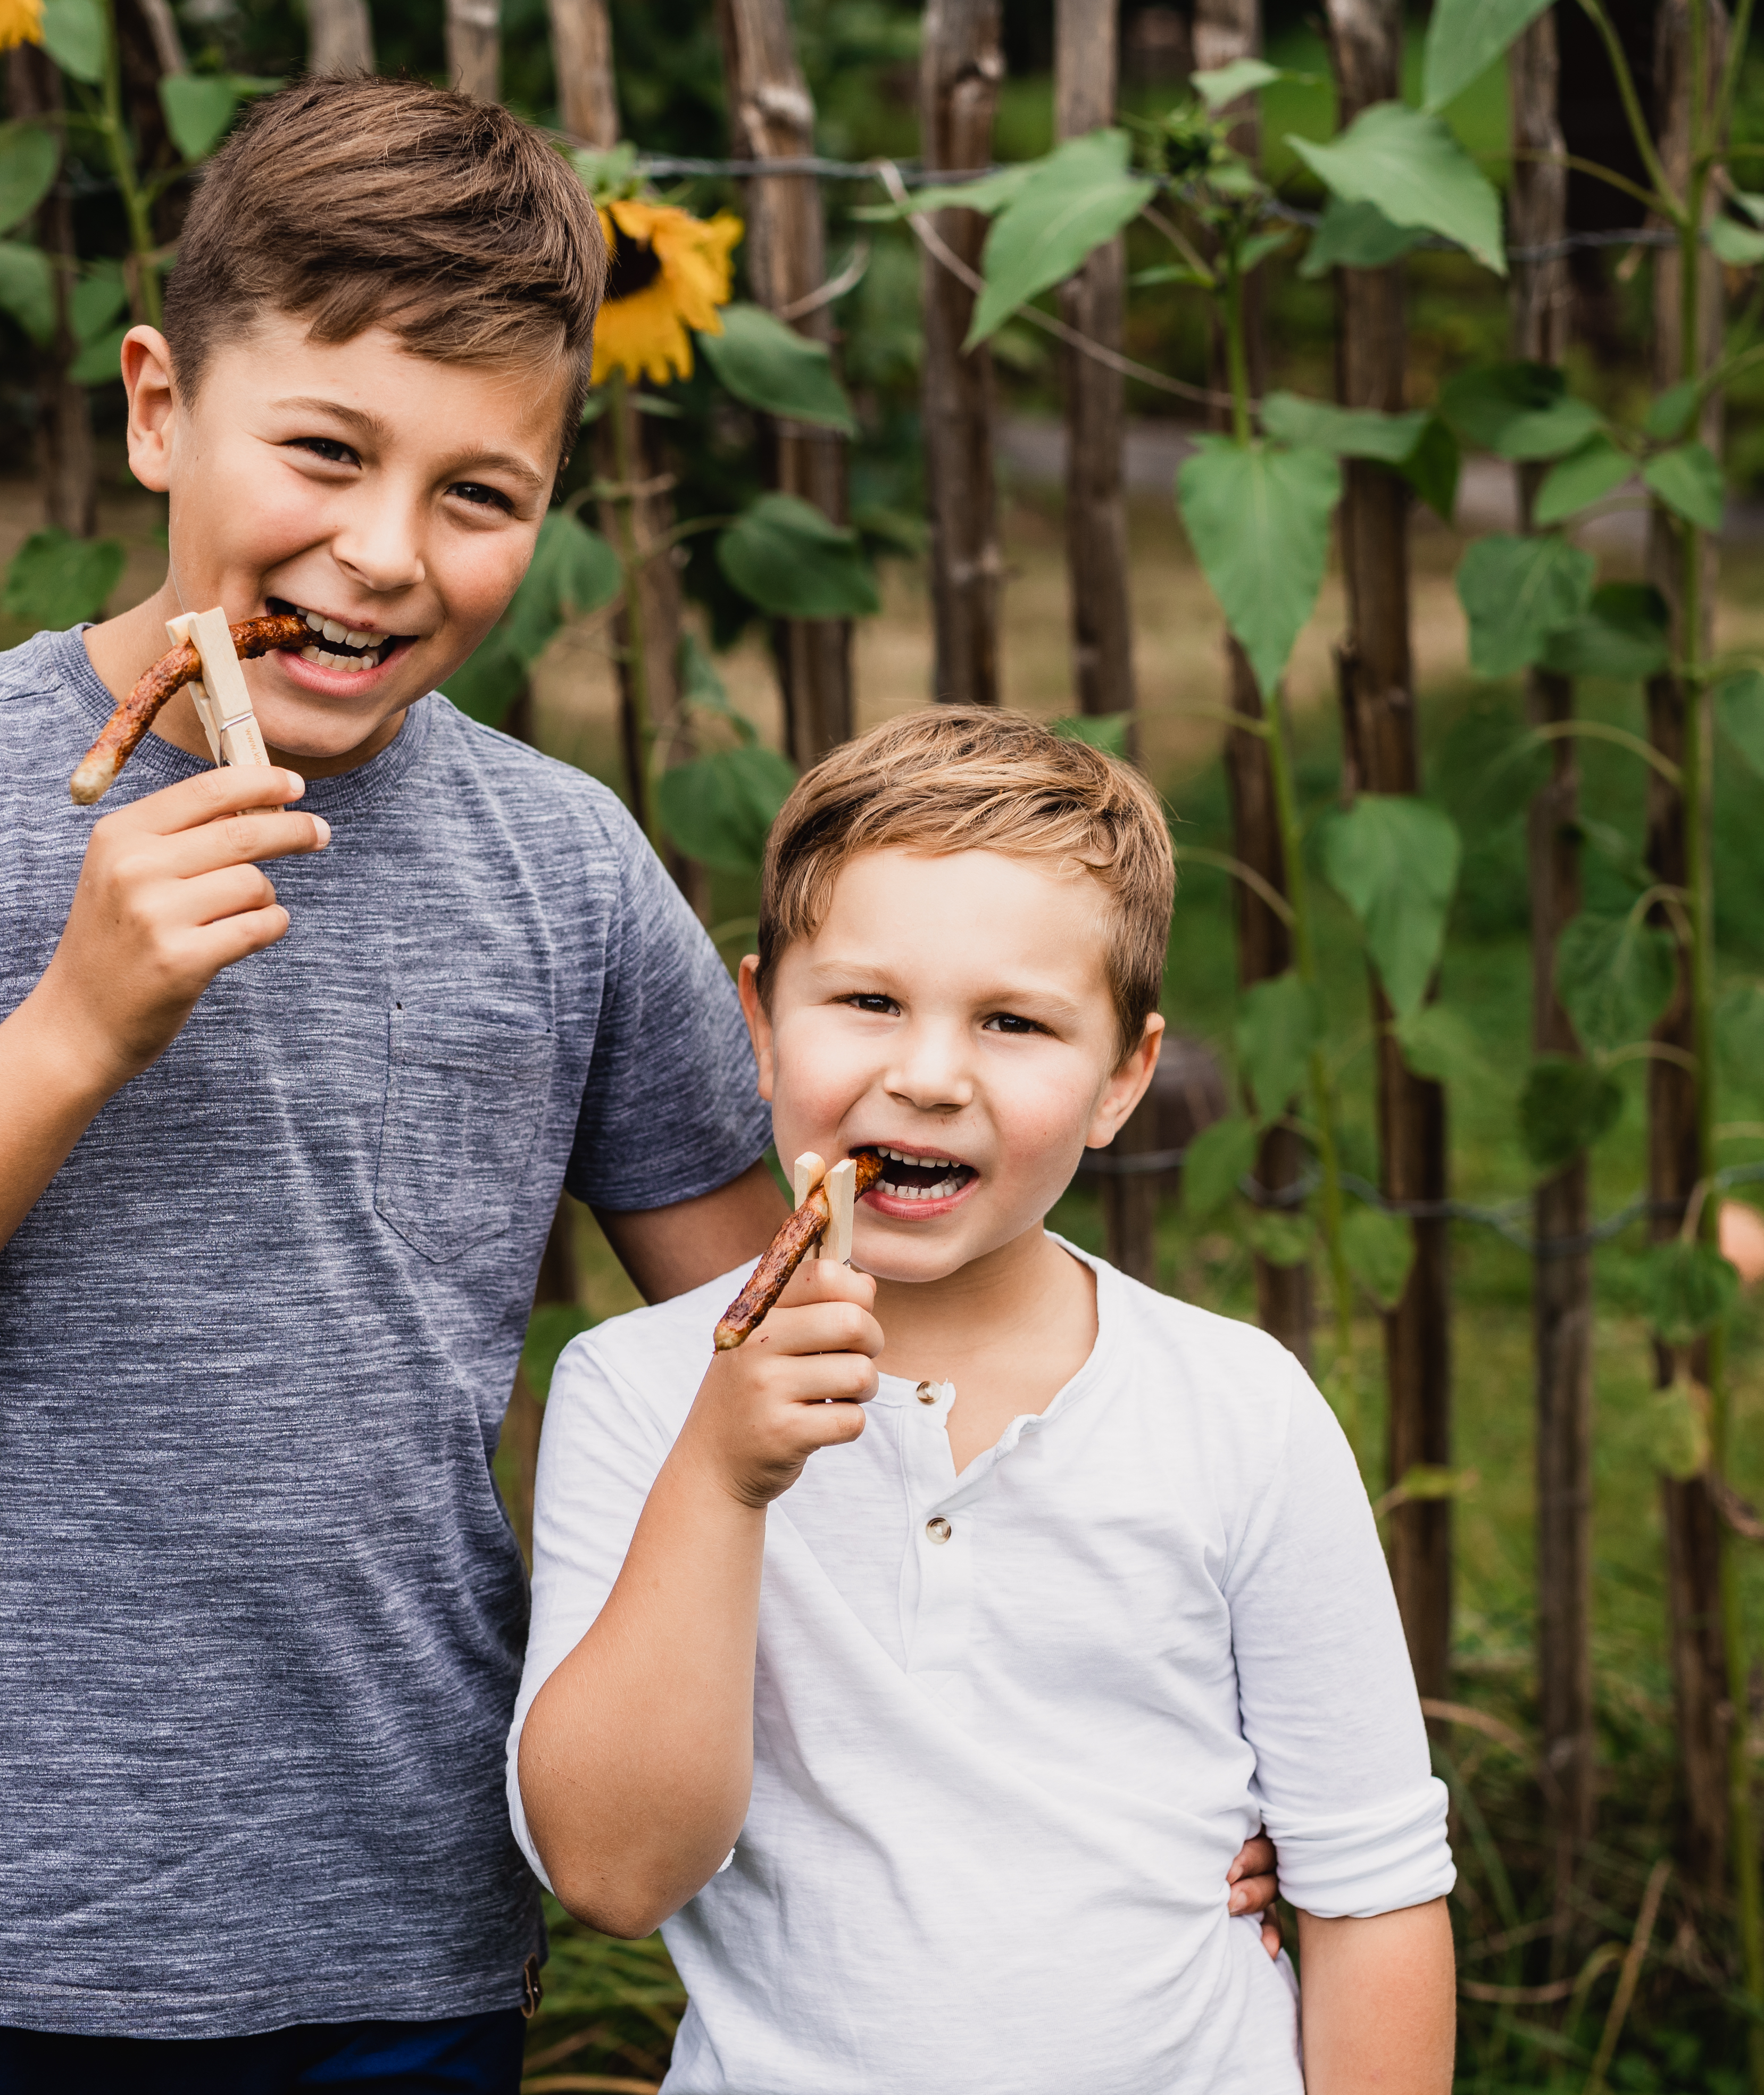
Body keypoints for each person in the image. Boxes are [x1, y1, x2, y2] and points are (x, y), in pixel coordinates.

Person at [0, 79, 791, 2090]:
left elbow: (781, 1358)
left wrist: (1110, 1806)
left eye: (478, 494)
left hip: (398, 1927)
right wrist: (76, 1026)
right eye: (326, 452)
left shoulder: (568, 864)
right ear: (161, 406)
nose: (378, 555)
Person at [513, 708, 1461, 2094]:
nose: (931, 1075)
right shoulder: (640, 1394)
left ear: (1122, 1081)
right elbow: (613, 1869)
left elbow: (1370, 1886)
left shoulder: (1236, 1409)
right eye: (869, 1002)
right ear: (760, 1023)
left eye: (1013, 1023)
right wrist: (720, 1476)